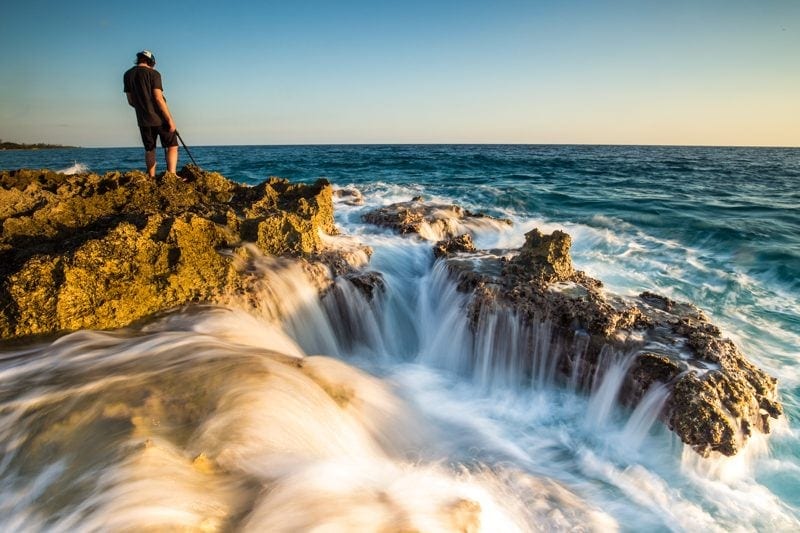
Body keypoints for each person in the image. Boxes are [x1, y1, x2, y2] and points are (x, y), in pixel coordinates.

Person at [123, 50, 178, 177]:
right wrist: (170, 120)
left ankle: (151, 176)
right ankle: (171, 175)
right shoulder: (154, 74)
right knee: (172, 146)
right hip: (159, 118)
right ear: (151, 61)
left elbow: (130, 101)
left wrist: (144, 109)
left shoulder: (127, 75)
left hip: (142, 119)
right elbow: (158, 98)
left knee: (149, 149)